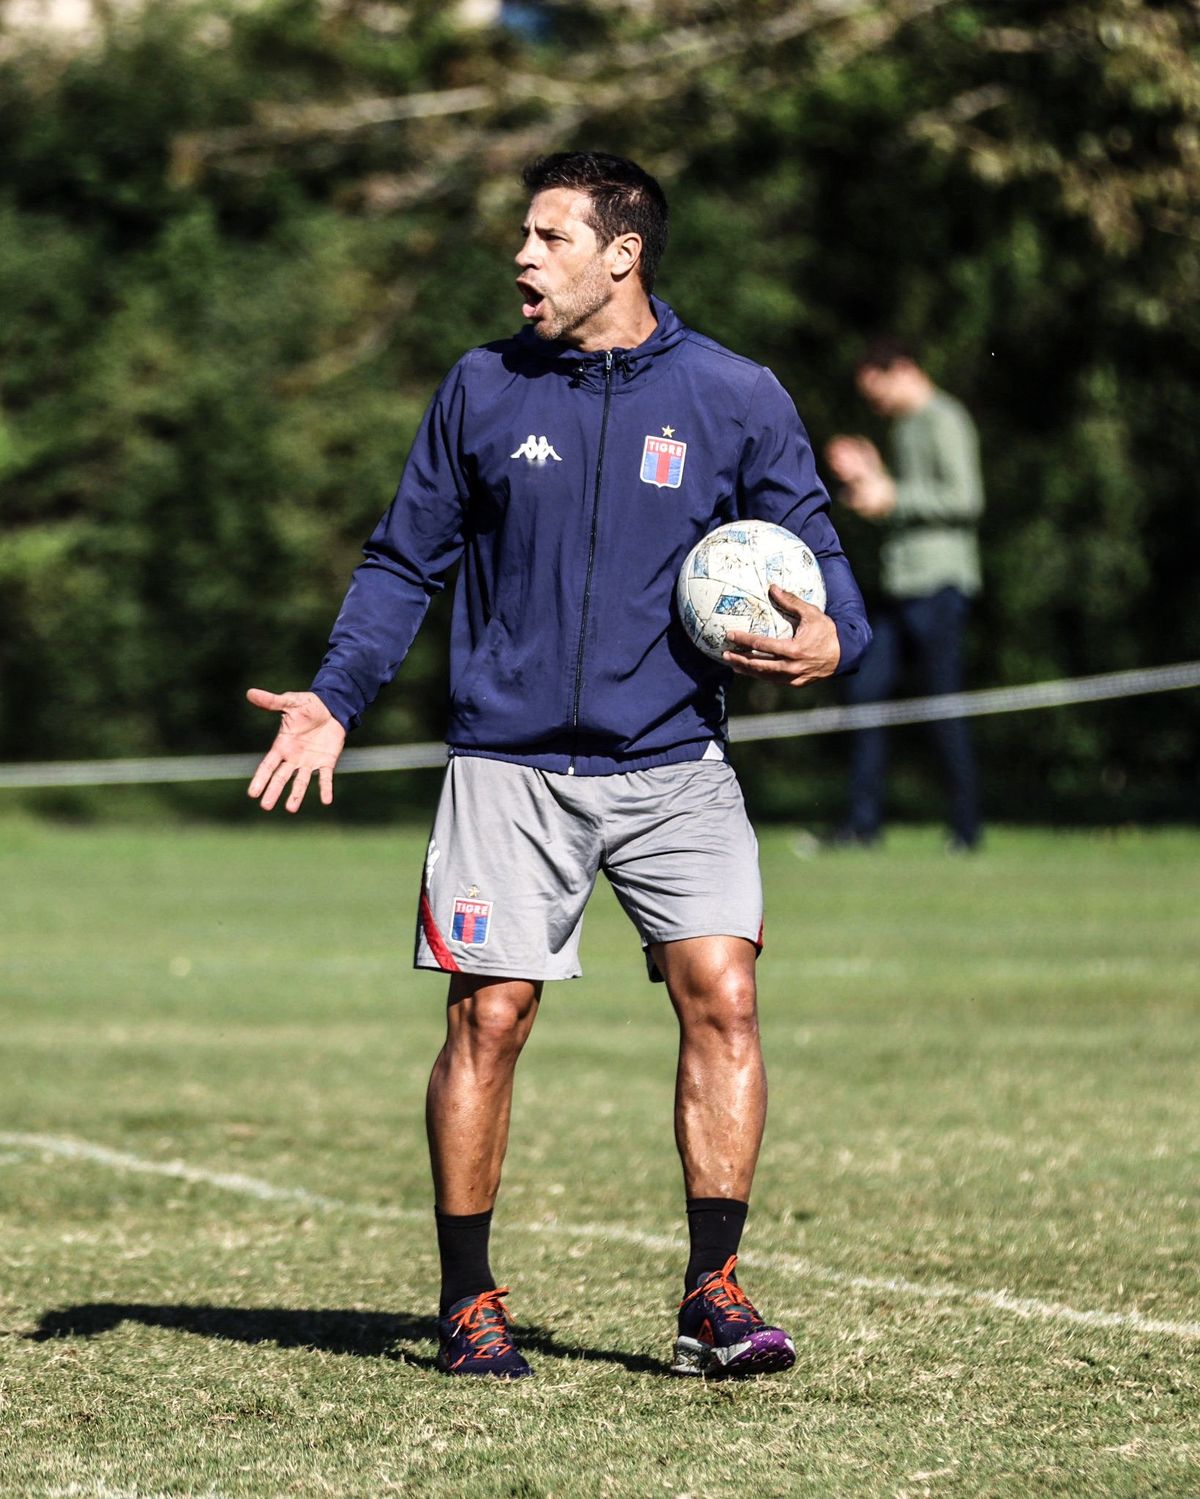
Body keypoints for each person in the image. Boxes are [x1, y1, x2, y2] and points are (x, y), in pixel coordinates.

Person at [246, 151, 871, 1380]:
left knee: (726, 993)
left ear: (622, 253)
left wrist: (835, 631)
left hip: (675, 757)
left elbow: (816, 548)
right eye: (522, 237)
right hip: (506, 764)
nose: (522, 259)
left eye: (548, 237)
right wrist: (334, 696)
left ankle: (714, 1293)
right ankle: (470, 1299)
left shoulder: (735, 393)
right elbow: (400, 562)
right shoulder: (482, 387)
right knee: (489, 1014)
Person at [825, 336, 984, 851]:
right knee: (866, 693)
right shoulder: (905, 427)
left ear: (903, 371)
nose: (877, 405)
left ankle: (965, 829)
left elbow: (965, 498)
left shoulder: (945, 418)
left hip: (939, 585)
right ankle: (862, 824)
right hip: (899, 585)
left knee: (942, 707)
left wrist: (891, 495)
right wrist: (870, 475)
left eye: (877, 393)